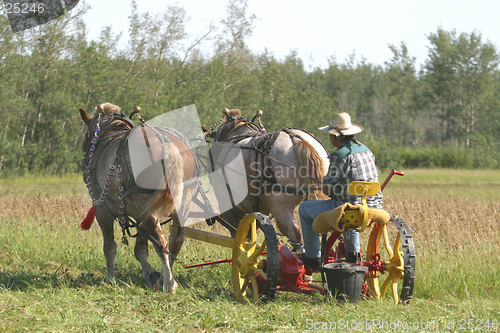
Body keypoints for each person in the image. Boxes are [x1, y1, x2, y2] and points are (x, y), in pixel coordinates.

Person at [299, 112, 382, 269]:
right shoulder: (366, 150)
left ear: (337, 136)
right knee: (352, 204)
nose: (330, 139)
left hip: (350, 209)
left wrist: (322, 184)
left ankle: (313, 257)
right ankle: (353, 254)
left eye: (330, 135)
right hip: (372, 205)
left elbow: (328, 187)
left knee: (305, 208)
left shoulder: (340, 155)